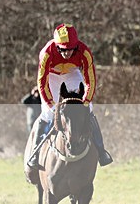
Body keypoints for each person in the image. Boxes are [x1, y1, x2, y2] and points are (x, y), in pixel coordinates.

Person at [26, 23, 113, 168]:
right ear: (57, 46)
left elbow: (90, 80)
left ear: (76, 46)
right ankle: (35, 154)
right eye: (63, 50)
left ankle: (101, 151)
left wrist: (86, 100)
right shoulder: (46, 52)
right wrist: (51, 104)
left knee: (89, 109)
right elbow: (42, 82)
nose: (67, 53)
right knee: (47, 114)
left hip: (72, 74)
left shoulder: (85, 52)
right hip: (52, 76)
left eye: (71, 49)